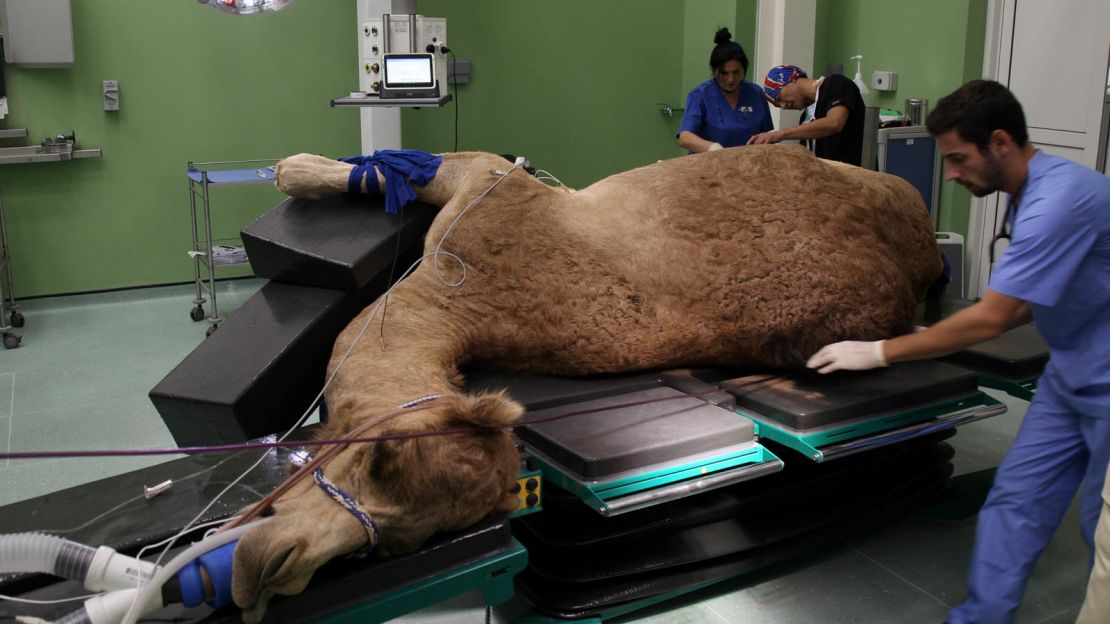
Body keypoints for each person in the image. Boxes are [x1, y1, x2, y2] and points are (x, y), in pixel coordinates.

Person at [806, 80, 1110, 623]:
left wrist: (880, 352)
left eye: (957, 159)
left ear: (999, 143)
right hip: (1073, 375)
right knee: (1017, 501)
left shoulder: (1059, 202)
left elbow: (995, 316)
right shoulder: (1025, 197)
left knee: (1102, 532)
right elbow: (1021, 306)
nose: (949, 174)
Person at [747, 64, 865, 166]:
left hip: (857, 179)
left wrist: (779, 134)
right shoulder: (806, 117)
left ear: (791, 79)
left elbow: (834, 123)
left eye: (779, 98)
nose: (783, 106)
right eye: (778, 105)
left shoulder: (836, 84)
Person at [676, 28, 772, 153]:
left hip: (747, 166)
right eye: (724, 73)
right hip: (710, 165)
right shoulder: (700, 96)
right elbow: (685, 138)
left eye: (736, 72)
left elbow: (768, 136)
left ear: (743, 69)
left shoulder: (756, 94)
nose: (730, 79)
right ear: (714, 71)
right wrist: (713, 148)